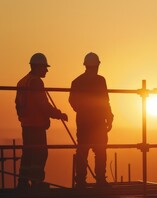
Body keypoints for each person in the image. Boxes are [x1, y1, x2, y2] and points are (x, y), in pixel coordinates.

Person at [15, 53, 68, 190]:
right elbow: (43, 105)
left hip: (26, 125)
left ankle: (23, 182)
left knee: (28, 153)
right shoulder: (36, 82)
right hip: (36, 125)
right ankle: (37, 182)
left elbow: (17, 104)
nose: (46, 70)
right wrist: (59, 114)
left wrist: (22, 118)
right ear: (38, 67)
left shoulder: (22, 81)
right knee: (40, 153)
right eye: (44, 67)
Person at [69, 52, 114, 188]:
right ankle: (100, 179)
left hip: (83, 122)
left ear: (85, 65)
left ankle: (81, 180)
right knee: (100, 151)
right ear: (97, 65)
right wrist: (109, 117)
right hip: (98, 122)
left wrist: (82, 111)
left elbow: (72, 101)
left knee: (83, 150)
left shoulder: (77, 81)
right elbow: (105, 101)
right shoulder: (100, 81)